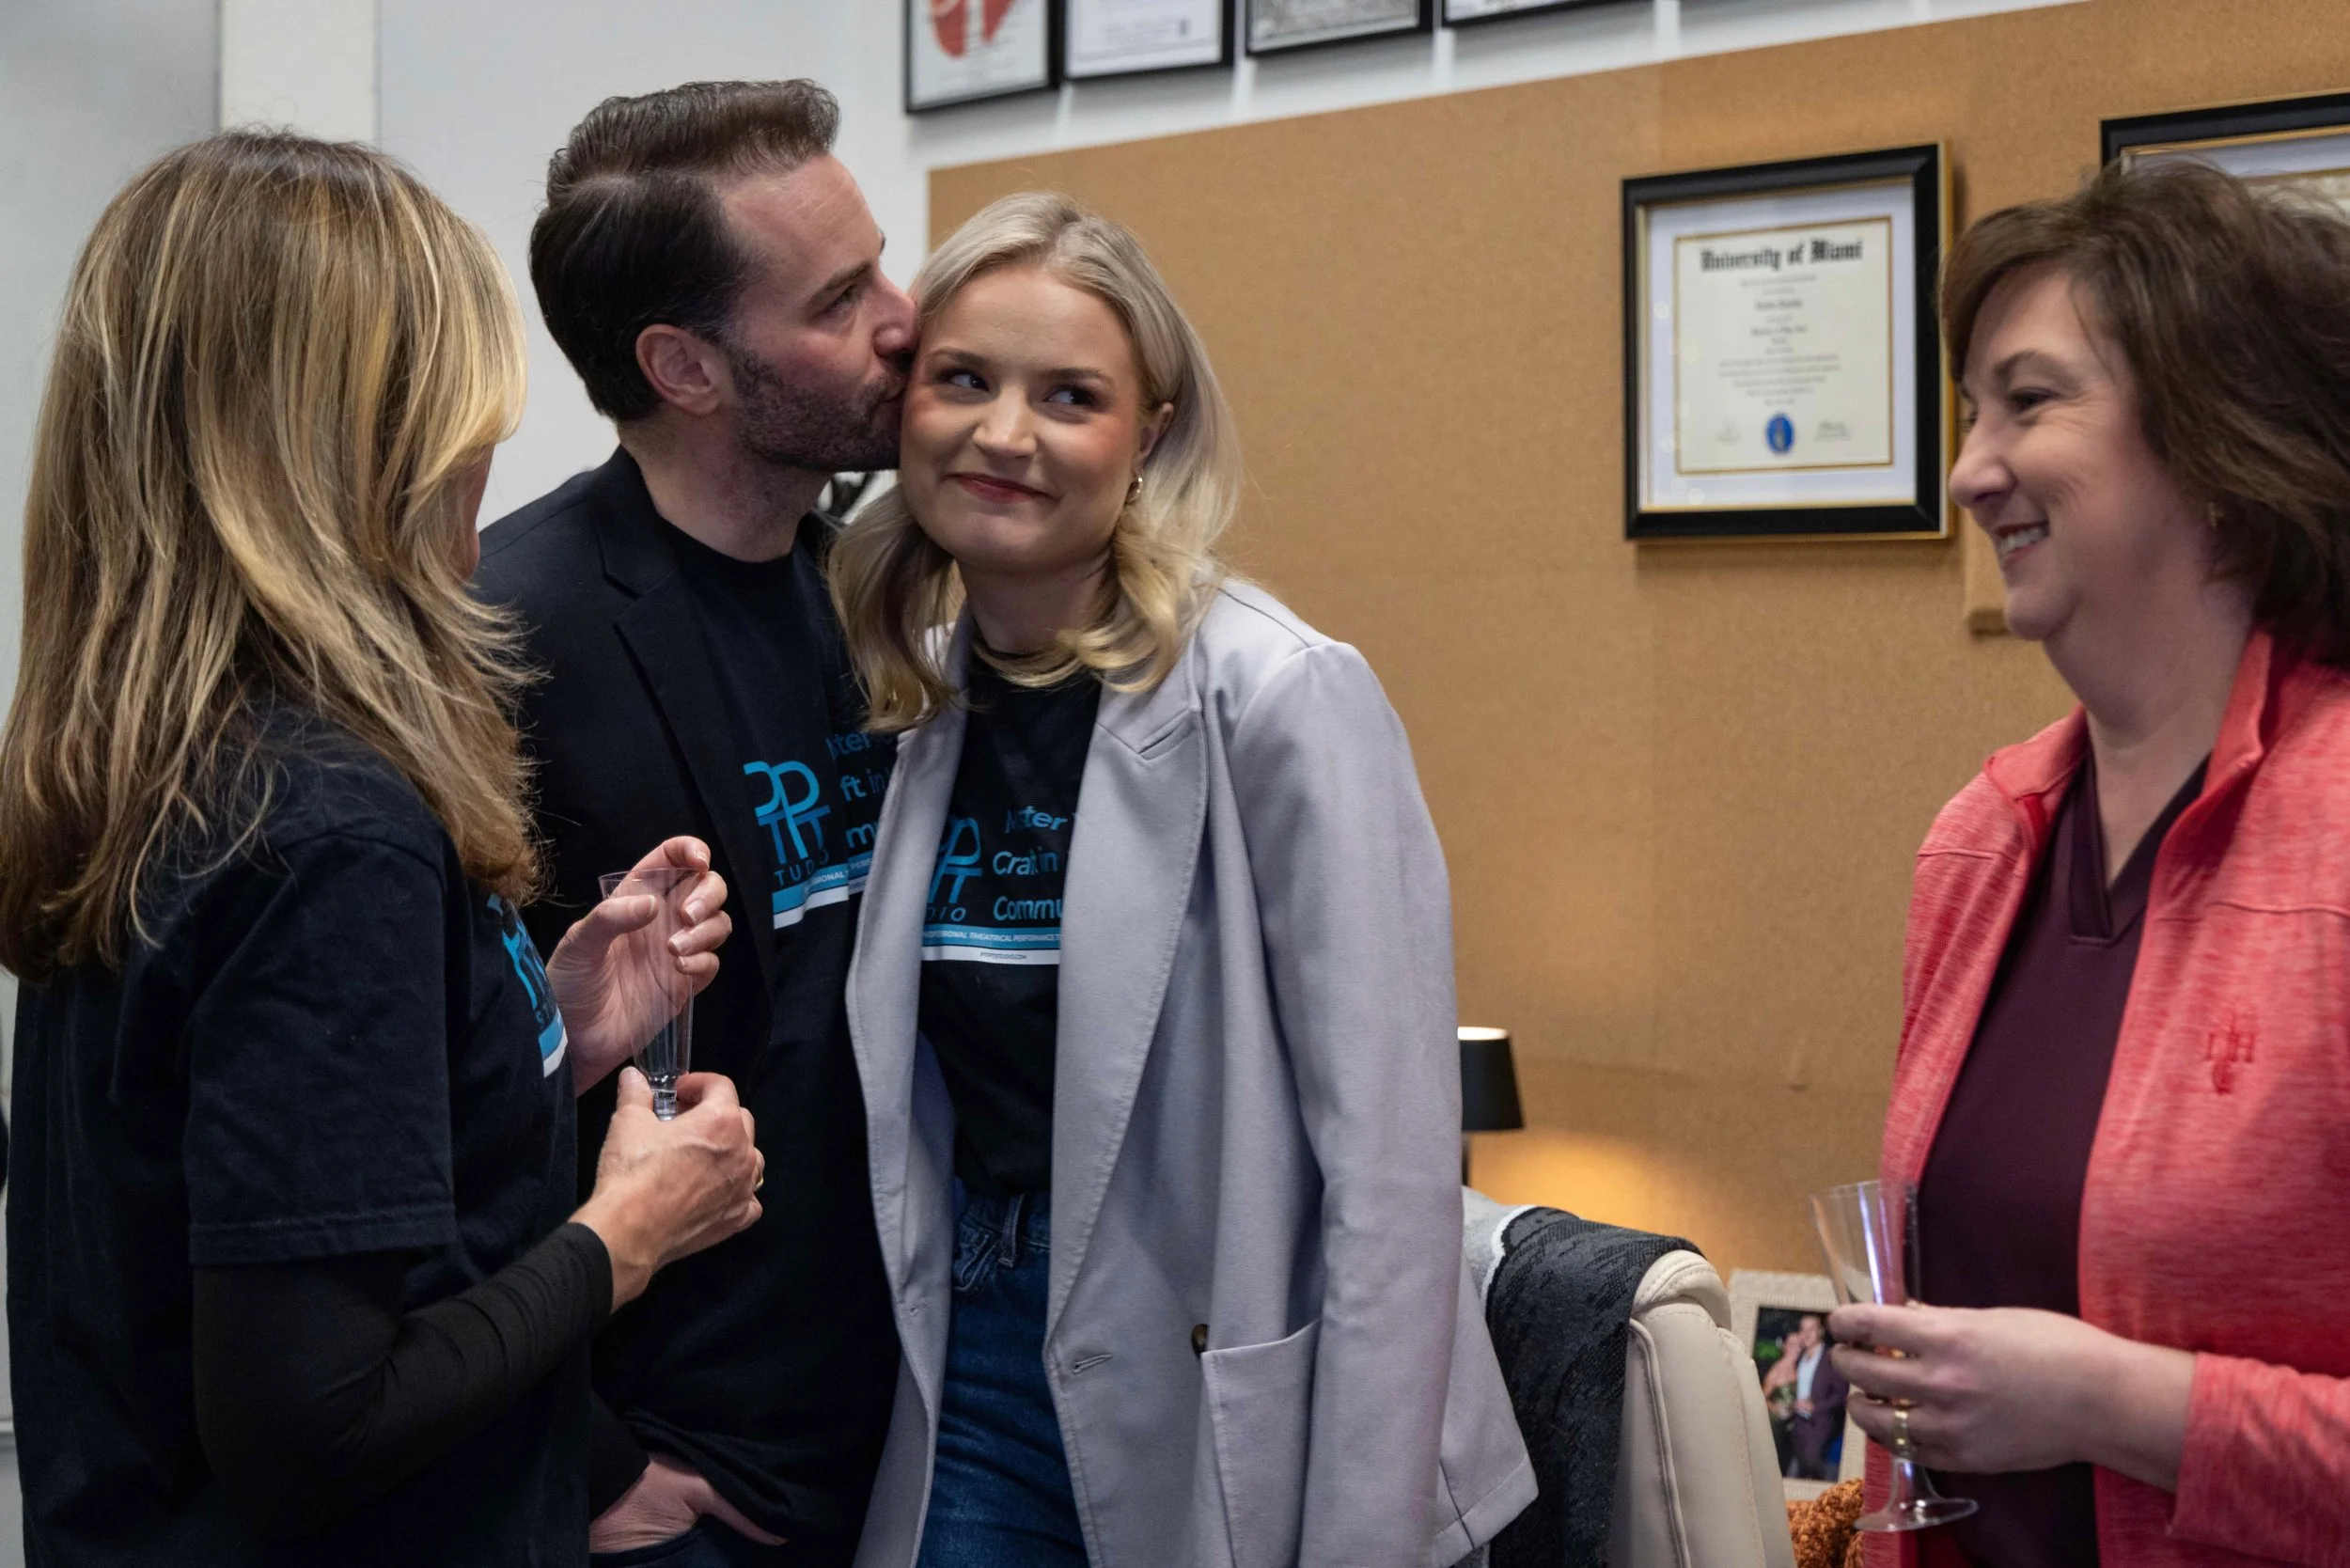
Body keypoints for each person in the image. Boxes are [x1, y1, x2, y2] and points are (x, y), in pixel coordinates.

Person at [0, 132, 765, 1568]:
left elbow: (268, 1172)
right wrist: (630, 1231)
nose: (487, 460)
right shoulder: (327, 831)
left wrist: (542, 1032)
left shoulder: (179, 764)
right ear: (360, 445)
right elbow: (318, 1422)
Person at [828, 191, 1535, 1568]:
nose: (1005, 434)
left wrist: (1361, 1538)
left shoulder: (1279, 696)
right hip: (975, 1347)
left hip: (1229, 1370)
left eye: (1070, 395)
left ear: (1147, 434)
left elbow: (1391, 1179)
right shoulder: (922, 695)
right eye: (963, 379)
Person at [1831, 157, 2350, 1568]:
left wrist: (2122, 1405)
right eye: (1967, 412)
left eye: (2031, 401)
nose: (1968, 469)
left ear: (2216, 442)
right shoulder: (1982, 838)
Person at [476, 80, 916, 1566]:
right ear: (685, 365)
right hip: (677, 1482)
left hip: (902, 1425)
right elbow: (425, 1120)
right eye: (842, 298)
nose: (904, 321)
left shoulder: (883, 594)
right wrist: (594, 1465)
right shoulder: (496, 638)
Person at [1768, 1315, 1846, 1482]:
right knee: (1797, 1465)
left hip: (1819, 1423)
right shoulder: (1799, 1356)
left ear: (1820, 1331)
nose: (1807, 1334)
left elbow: (1842, 1395)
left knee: (1812, 1463)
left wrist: (1816, 1407)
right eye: (1803, 1330)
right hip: (1797, 1423)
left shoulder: (1831, 1357)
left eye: (1811, 1329)